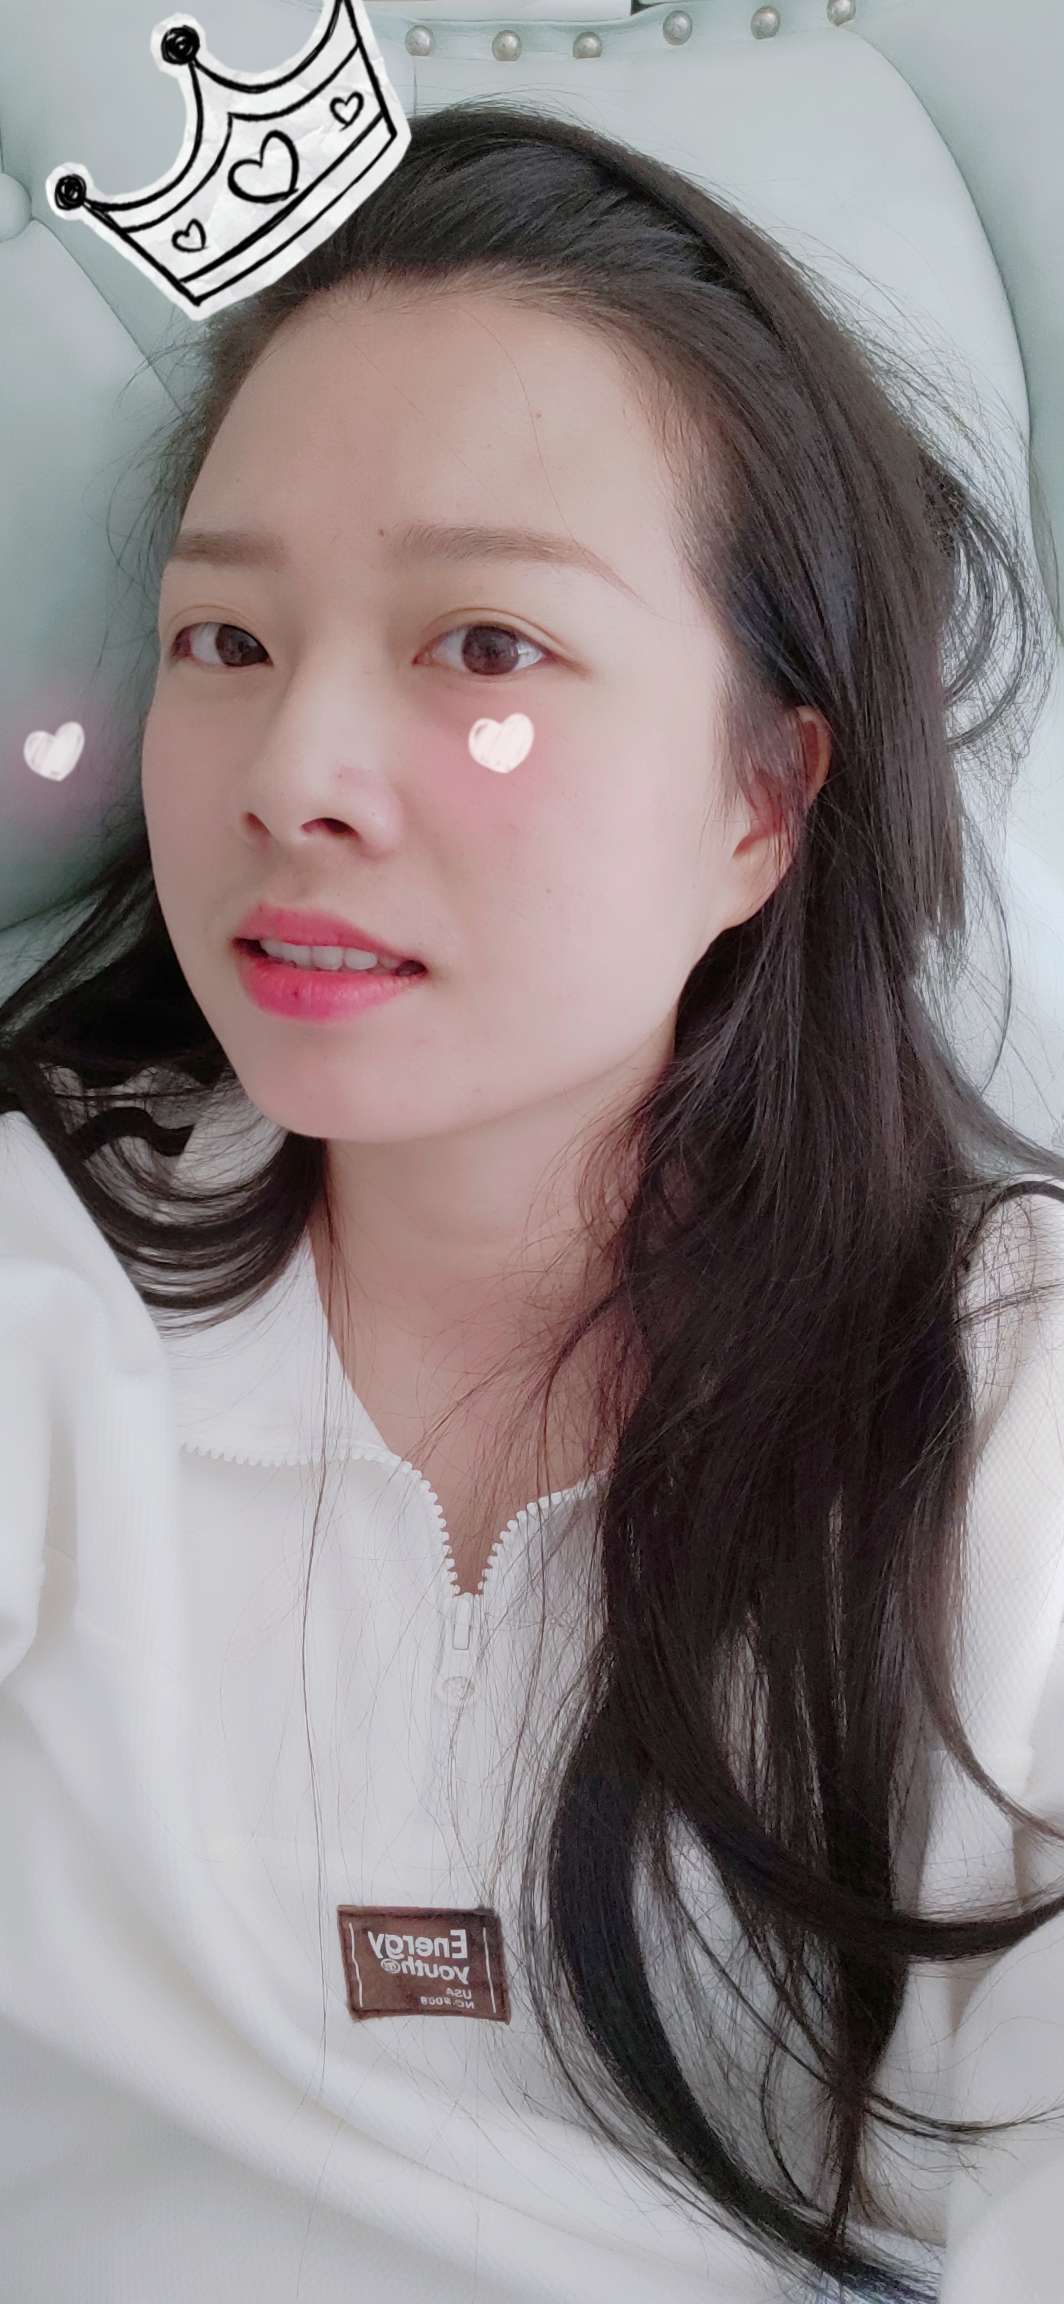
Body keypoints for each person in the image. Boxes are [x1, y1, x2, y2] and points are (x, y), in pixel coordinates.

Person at [3, 99, 1064, 2304]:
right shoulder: (40, 1297)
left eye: (485, 646)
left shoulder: (1012, 1423)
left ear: (765, 798)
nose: (294, 774)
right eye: (225, 642)